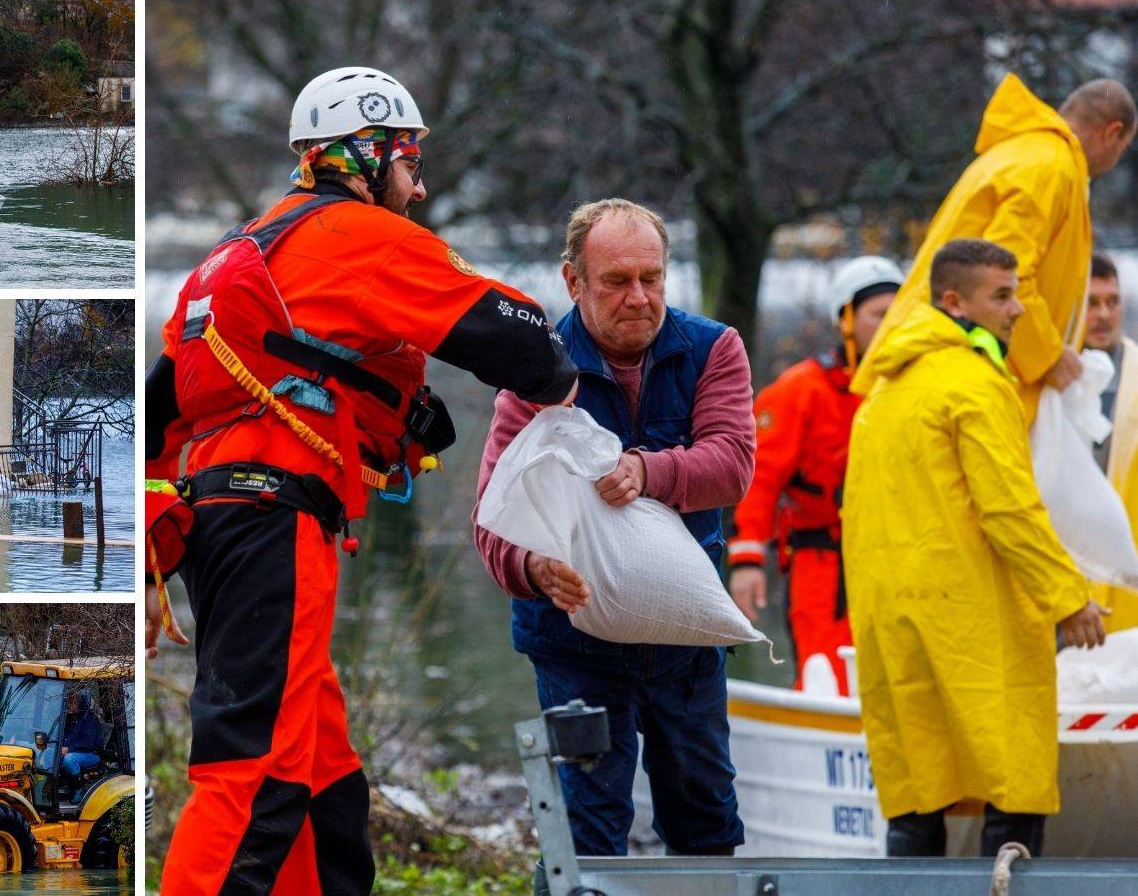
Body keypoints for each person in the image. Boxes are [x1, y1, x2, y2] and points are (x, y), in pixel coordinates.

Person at [146, 65, 578, 894]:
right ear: (365, 155)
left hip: (229, 519)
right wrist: (566, 380)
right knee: (255, 768)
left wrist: (156, 553)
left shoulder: (237, 253)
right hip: (276, 517)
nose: (416, 191)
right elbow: (518, 342)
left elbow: (164, 408)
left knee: (322, 776)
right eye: (410, 165)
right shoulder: (356, 236)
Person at [474, 198, 756, 859]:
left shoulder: (714, 348)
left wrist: (646, 470)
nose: (639, 298)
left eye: (652, 278)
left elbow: (732, 464)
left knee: (706, 821)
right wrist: (533, 569)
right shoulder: (536, 371)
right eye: (616, 281)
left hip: (684, 636)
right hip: (573, 646)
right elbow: (493, 519)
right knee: (585, 835)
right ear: (573, 281)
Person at [842, 237, 1109, 858]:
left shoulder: (882, 391)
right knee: (1013, 777)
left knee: (916, 789)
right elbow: (1009, 509)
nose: (1018, 310)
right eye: (1004, 296)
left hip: (893, 615)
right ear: (955, 301)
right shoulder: (975, 383)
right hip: (970, 614)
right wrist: (1070, 598)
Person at [853, 74, 1136, 421]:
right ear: (1112, 133)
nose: (1115, 162)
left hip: (936, 362)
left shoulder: (1028, 155)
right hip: (952, 374)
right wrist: (1049, 356)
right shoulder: (1050, 168)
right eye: (1122, 149)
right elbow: (1003, 276)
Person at [728, 257, 901, 694]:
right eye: (879, 314)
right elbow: (758, 477)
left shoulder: (913, 384)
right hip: (824, 563)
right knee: (827, 674)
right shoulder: (802, 389)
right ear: (846, 318)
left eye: (899, 314)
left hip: (899, 560)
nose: (890, 326)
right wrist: (748, 562)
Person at [1084, 252, 1138, 632]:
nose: (1104, 314)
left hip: (1125, 589)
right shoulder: (1041, 382)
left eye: (1112, 302)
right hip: (1058, 583)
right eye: (1091, 303)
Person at [60, 691, 103, 778]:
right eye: (69, 702)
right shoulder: (71, 718)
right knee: (50, 753)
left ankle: (77, 788)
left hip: (90, 754)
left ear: (80, 703)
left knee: (68, 760)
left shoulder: (90, 719)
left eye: (72, 702)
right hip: (73, 751)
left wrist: (69, 748)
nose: (69, 705)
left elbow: (88, 743)